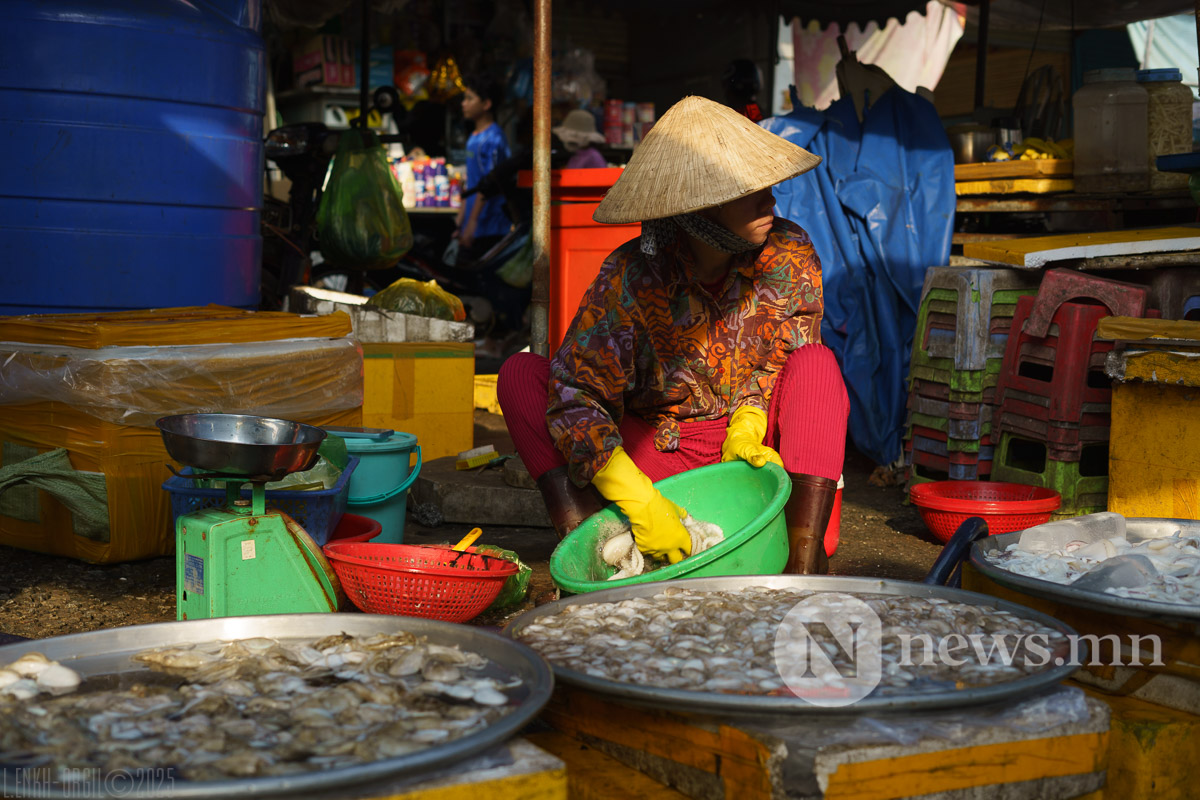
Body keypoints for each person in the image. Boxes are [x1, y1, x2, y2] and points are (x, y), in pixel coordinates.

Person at [497, 95, 850, 575]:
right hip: (654, 461)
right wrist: (639, 500)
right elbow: (577, 396)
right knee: (521, 374)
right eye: (752, 190)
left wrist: (746, 425)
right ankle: (598, 554)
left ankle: (801, 571)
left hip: (754, 459)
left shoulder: (788, 251)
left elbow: (782, 361)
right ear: (701, 210)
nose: (772, 199)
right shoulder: (629, 277)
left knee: (817, 365)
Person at [455, 72, 512, 263]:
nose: (464, 103)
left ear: (486, 104)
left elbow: (489, 184)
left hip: (489, 224)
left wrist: (472, 223)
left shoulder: (494, 139)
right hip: (472, 222)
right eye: (464, 98)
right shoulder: (474, 136)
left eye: (470, 98)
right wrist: (461, 220)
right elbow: (471, 181)